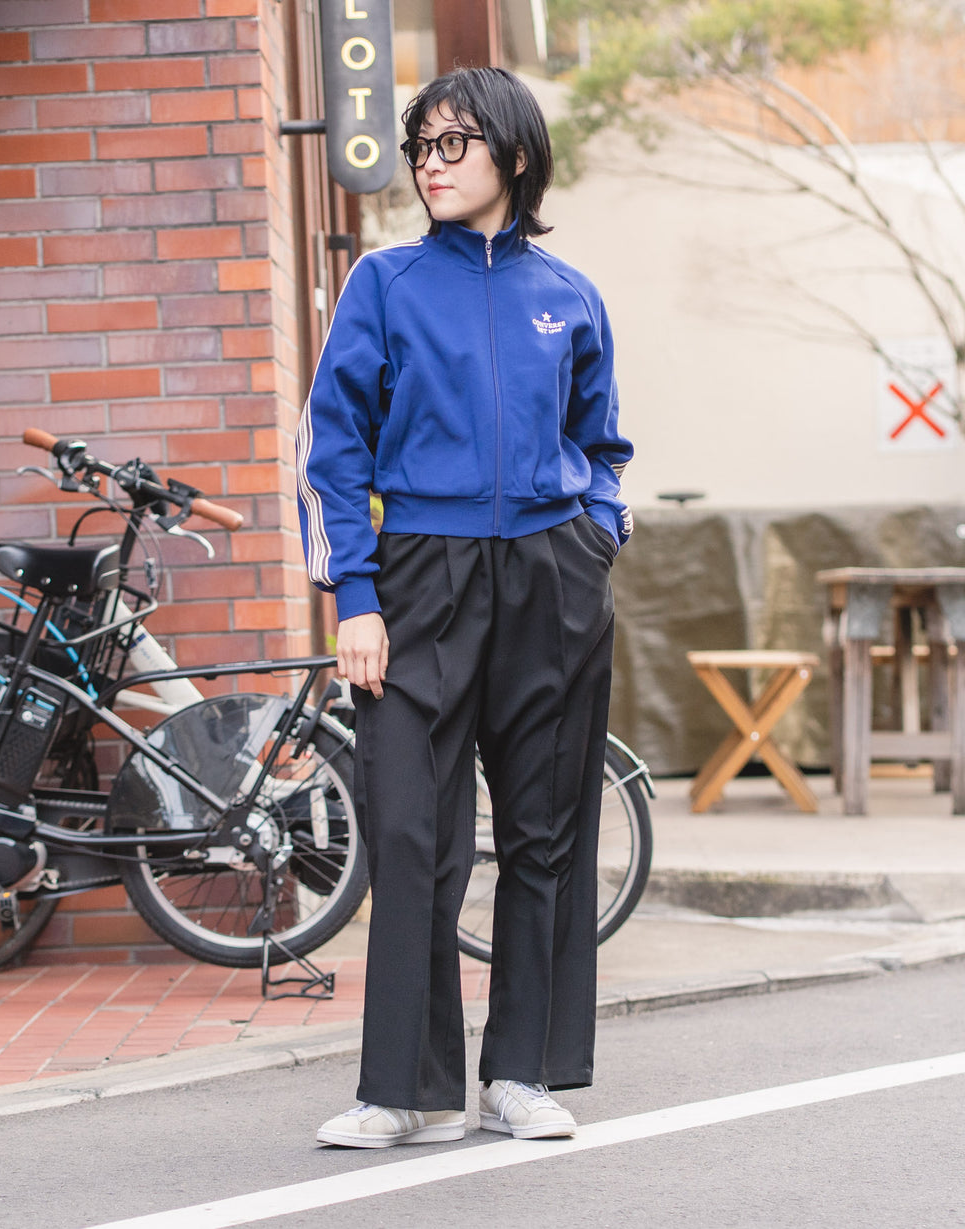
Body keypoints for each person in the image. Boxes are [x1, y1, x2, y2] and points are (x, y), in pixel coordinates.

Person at [296, 65, 634, 1149]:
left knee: (544, 832)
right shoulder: (385, 284)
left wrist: (596, 537)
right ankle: (405, 1087)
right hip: (418, 582)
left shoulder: (569, 294)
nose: (431, 165)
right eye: (422, 148)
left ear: (514, 156)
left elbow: (603, 444)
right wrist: (356, 594)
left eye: (454, 144)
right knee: (409, 831)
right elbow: (333, 447)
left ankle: (521, 1072)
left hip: (550, 579)